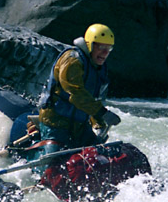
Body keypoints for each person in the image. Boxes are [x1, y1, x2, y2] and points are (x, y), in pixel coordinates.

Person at [36, 23, 122, 158]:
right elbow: (76, 95)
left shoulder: (99, 67)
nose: (105, 53)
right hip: (55, 123)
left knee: (101, 157)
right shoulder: (72, 61)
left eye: (109, 48)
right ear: (90, 45)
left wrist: (98, 123)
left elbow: (94, 99)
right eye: (101, 47)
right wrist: (103, 113)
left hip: (79, 126)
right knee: (53, 163)